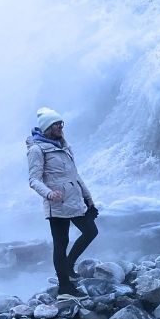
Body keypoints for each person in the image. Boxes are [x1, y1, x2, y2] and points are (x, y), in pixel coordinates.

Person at [26, 107, 98, 299]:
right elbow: (34, 180)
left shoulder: (63, 145)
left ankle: (68, 265)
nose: (61, 127)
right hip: (56, 204)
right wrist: (49, 194)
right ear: (48, 127)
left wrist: (89, 199)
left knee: (91, 231)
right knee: (61, 243)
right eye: (57, 124)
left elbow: (75, 175)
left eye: (61, 123)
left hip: (74, 200)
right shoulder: (37, 149)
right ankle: (64, 286)